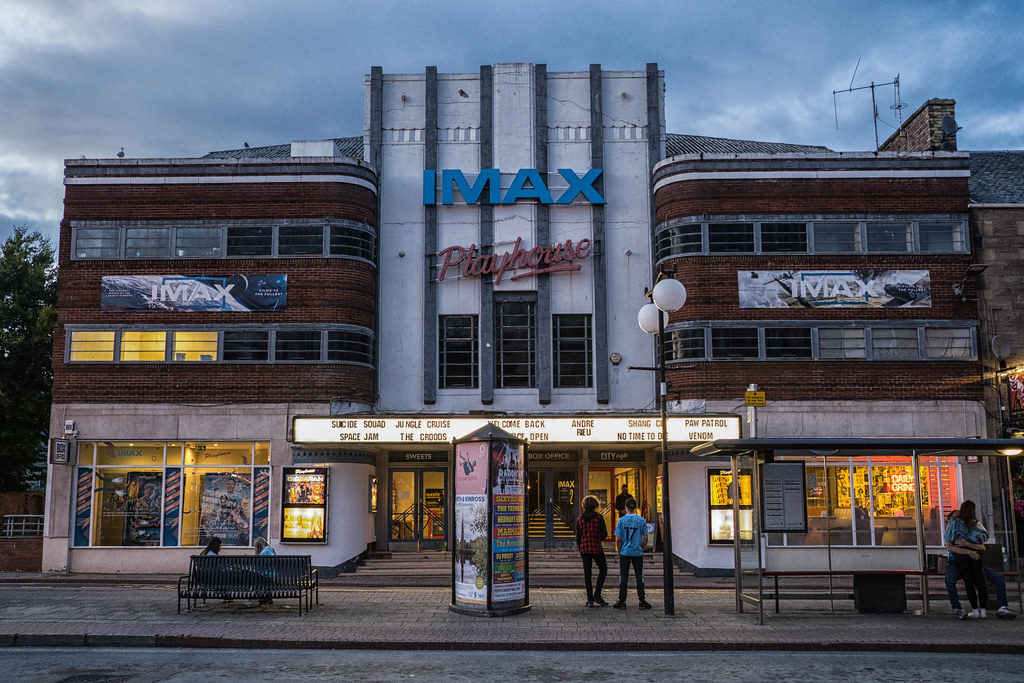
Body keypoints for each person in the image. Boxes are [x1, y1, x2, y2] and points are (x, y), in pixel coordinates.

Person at [944, 509, 1016, 620]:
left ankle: (1003, 607)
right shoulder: (950, 533)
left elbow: (982, 546)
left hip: (974, 563)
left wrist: (968, 545)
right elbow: (950, 547)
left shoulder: (970, 532)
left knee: (998, 578)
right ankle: (957, 608)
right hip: (958, 563)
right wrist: (969, 551)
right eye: (954, 518)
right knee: (949, 579)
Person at [945, 500, 988, 618]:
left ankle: (974, 609)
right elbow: (983, 541)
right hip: (976, 554)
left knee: (968, 582)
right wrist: (971, 548)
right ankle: (983, 610)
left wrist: (965, 545)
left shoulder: (955, 524)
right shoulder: (977, 524)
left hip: (961, 557)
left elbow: (948, 543)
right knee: (980, 582)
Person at [613, 497, 651, 611]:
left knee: (623, 576)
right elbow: (646, 537)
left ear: (625, 507)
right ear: (635, 508)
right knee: (640, 576)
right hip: (637, 552)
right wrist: (642, 548)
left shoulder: (621, 521)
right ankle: (642, 600)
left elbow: (618, 539)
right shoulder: (641, 520)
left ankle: (622, 601)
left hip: (625, 552)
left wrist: (619, 551)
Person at [576, 495, 609, 608]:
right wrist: (597, 538)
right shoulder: (599, 518)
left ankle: (590, 599)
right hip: (596, 548)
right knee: (603, 569)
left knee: (587, 574)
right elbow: (604, 534)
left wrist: (581, 546)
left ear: (584, 506)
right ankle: (597, 595)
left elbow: (578, 537)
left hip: (584, 549)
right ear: (595, 505)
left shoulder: (579, 519)